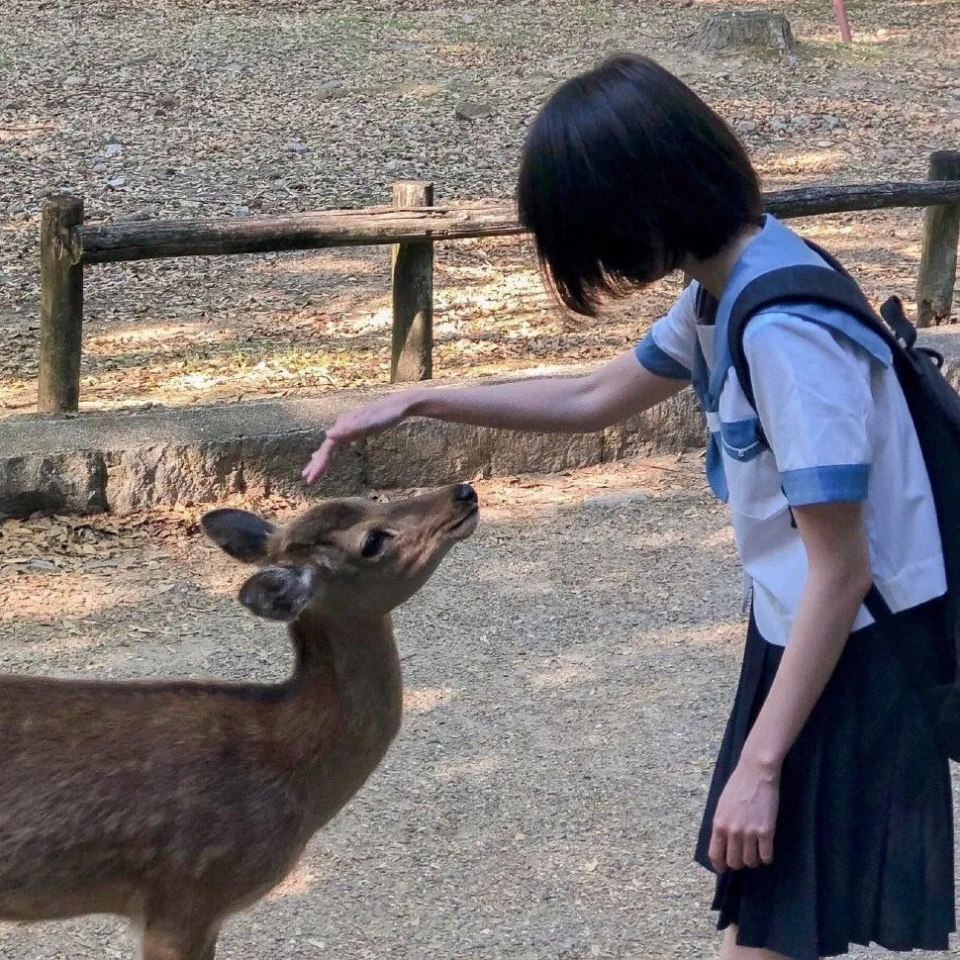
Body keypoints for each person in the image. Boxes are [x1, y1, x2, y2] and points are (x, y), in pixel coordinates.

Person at [301, 54, 955, 960]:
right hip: (804, 633)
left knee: (771, 921)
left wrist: (762, 763)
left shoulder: (783, 331)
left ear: (641, 204)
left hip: (854, 648)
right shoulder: (727, 284)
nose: (595, 259)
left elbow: (843, 571)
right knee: (770, 919)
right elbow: (592, 397)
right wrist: (420, 399)